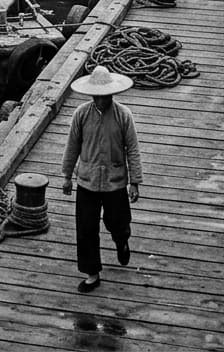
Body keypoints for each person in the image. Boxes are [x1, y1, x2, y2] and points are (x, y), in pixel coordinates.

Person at [61, 65, 143, 294]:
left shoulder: (123, 115)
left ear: (112, 94)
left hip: (115, 181)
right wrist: (67, 176)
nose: (100, 100)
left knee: (118, 220)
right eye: (96, 96)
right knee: (86, 227)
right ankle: (92, 273)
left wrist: (134, 182)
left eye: (104, 96)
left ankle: (121, 240)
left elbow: (133, 150)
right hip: (86, 180)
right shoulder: (81, 114)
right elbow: (72, 146)